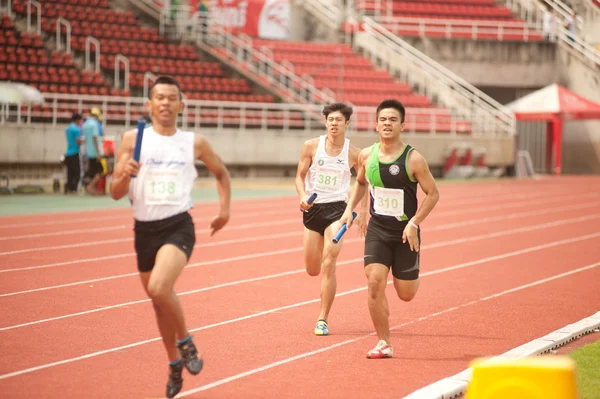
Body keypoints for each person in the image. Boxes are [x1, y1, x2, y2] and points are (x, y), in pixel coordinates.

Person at [109, 75, 231, 398]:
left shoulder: (194, 143)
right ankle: (174, 364)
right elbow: (114, 192)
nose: (164, 103)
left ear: (181, 104)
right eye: (158, 98)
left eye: (170, 98)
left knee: (159, 287)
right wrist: (124, 174)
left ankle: (185, 340)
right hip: (144, 229)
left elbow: (221, 173)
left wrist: (225, 210)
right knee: (159, 304)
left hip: (178, 225)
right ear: (149, 104)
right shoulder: (131, 140)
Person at [339, 99, 440, 359]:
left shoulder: (414, 159)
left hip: (405, 232)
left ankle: (408, 271)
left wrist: (414, 223)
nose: (387, 123)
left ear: (402, 125)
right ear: (375, 125)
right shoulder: (366, 156)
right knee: (374, 282)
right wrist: (353, 209)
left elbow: (432, 194)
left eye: (393, 120)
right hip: (378, 230)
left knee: (406, 294)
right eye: (383, 119)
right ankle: (384, 342)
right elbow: (361, 183)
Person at [295, 102, 366, 336]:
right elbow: (299, 176)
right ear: (325, 122)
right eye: (330, 120)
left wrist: (360, 211)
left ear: (347, 124)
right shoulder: (311, 146)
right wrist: (303, 195)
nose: (334, 124)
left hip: (338, 209)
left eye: (338, 120)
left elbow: (364, 183)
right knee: (312, 269)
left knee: (329, 262)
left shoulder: (355, 153)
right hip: (313, 209)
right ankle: (322, 314)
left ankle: (322, 319)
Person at [82, 107, 105, 195]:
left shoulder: (85, 124)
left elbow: (86, 138)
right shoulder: (94, 124)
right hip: (95, 152)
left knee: (92, 170)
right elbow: (95, 137)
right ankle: (90, 186)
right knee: (100, 170)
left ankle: (90, 186)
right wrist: (98, 152)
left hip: (89, 151)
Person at [64, 112, 82, 194]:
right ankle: (74, 189)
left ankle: (69, 188)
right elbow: (78, 141)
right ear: (77, 120)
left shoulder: (68, 128)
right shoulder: (77, 129)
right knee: (77, 172)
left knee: (69, 172)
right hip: (75, 152)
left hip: (68, 152)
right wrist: (85, 141)